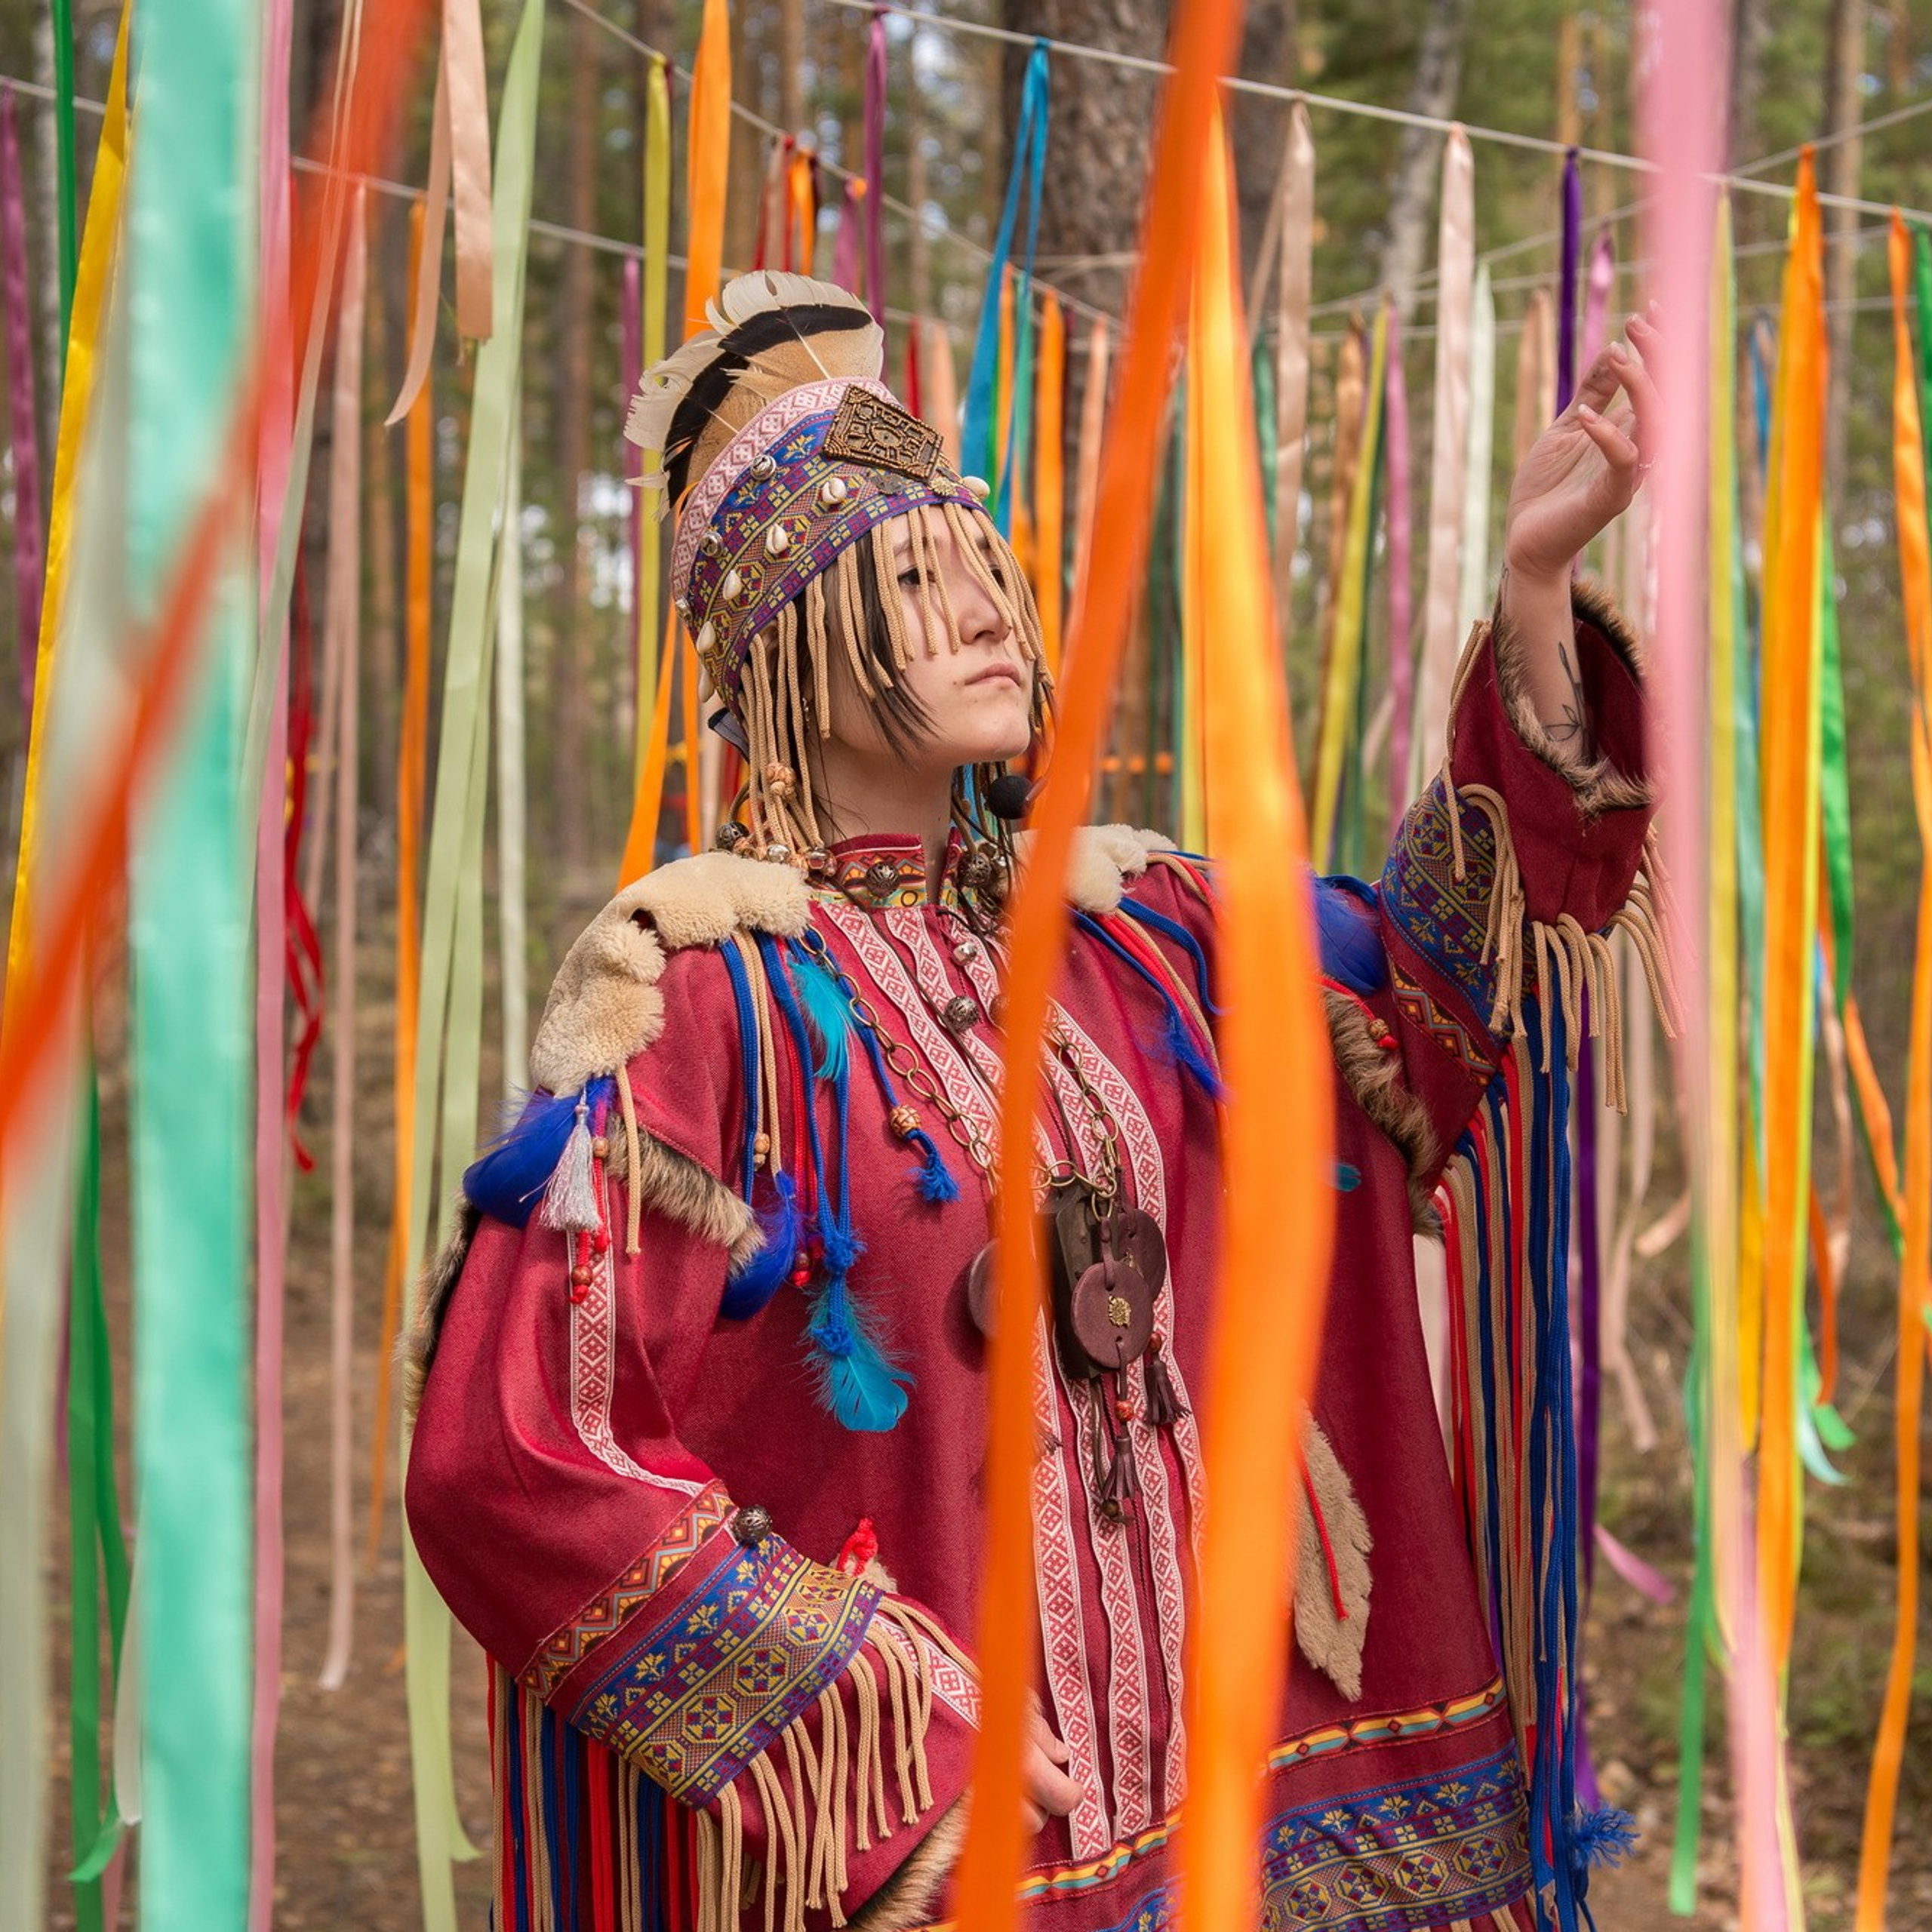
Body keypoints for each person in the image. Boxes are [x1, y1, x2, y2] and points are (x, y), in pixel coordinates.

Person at [405, 272, 1675, 1932]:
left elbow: (1432, 1014)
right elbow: (506, 1453)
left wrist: (1529, 586)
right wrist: (856, 1709)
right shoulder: (696, 994)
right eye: (915, 581)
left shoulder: (1146, 935)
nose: (987, 609)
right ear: (788, 638)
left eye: (983, 565)